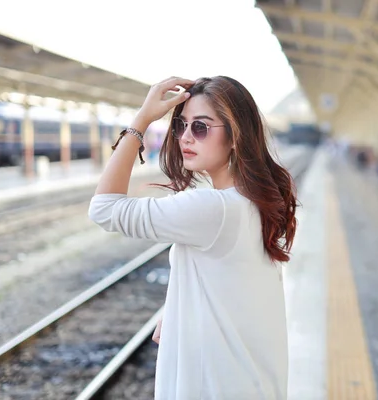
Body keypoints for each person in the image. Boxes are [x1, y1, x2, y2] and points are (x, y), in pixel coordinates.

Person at [88, 76, 298, 399]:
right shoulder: (256, 204)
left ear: (234, 136)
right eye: (181, 126)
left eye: (200, 127)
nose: (186, 137)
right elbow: (232, 287)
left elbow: (103, 208)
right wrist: (177, 304)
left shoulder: (211, 208)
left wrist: (141, 121)